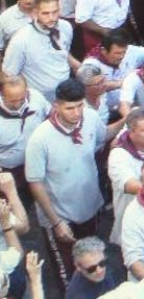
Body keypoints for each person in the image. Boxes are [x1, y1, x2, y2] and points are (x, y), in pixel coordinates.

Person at [25, 78, 107, 290]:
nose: (77, 112)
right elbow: (35, 182)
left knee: (93, 264)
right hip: (62, 218)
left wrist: (128, 121)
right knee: (69, 276)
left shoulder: (90, 117)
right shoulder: (40, 138)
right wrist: (56, 221)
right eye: (70, 107)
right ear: (56, 106)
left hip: (89, 209)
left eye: (80, 105)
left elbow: (104, 136)